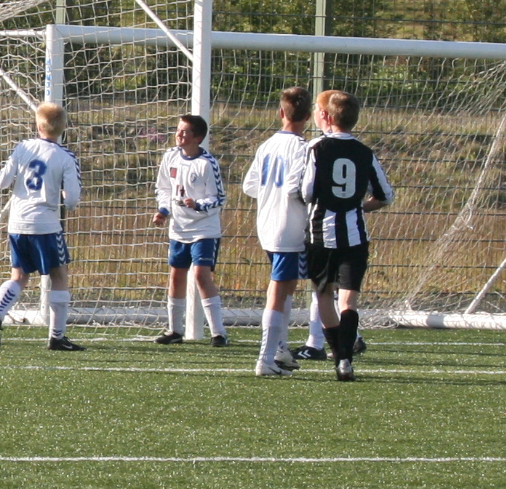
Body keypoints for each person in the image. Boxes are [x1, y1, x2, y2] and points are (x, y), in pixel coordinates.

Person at [287, 88, 392, 382]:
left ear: (327, 117)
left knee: (323, 296)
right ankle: (346, 358)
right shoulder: (364, 152)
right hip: (355, 237)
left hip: (320, 235)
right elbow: (385, 195)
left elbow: (306, 191)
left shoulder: (315, 148)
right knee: (348, 302)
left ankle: (339, 356)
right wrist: (360, 207)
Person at [0, 100, 85, 352]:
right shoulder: (65, 157)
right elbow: (72, 201)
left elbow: (1, 182)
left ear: (37, 125)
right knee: (59, 275)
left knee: (18, 276)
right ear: (63, 127)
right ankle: (57, 337)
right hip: (46, 225)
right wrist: (63, 196)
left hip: (17, 223)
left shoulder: (23, 147)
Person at [241, 87, 315, 377]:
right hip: (289, 226)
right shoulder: (303, 148)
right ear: (308, 116)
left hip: (267, 223)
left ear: (281, 112)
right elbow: (298, 189)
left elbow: (249, 186)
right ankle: (265, 358)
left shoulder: (267, 145)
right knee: (278, 288)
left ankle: (280, 347)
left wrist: (270, 190)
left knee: (288, 286)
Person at [152, 114, 226, 346]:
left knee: (201, 275)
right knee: (176, 275)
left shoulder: (207, 163)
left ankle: (218, 333)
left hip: (204, 229)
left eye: (185, 132)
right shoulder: (170, 156)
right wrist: (163, 210)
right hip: (179, 228)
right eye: (178, 130)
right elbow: (163, 188)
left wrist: (198, 204)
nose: (179, 134)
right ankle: (175, 331)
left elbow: (218, 198)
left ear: (198, 138)